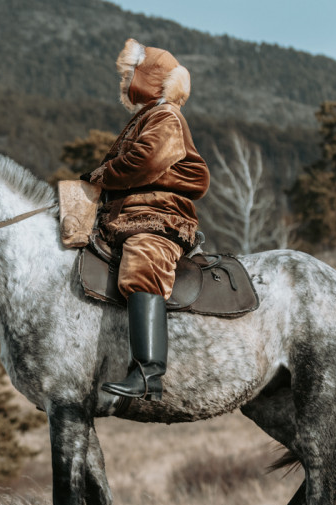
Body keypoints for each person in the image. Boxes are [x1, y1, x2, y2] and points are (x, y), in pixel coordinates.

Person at [82, 39, 209, 401]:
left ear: (150, 79)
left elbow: (145, 161)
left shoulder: (166, 116)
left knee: (143, 258)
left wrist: (101, 175)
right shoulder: (147, 116)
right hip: (132, 213)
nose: (124, 83)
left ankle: (147, 372)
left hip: (159, 217)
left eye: (130, 75)